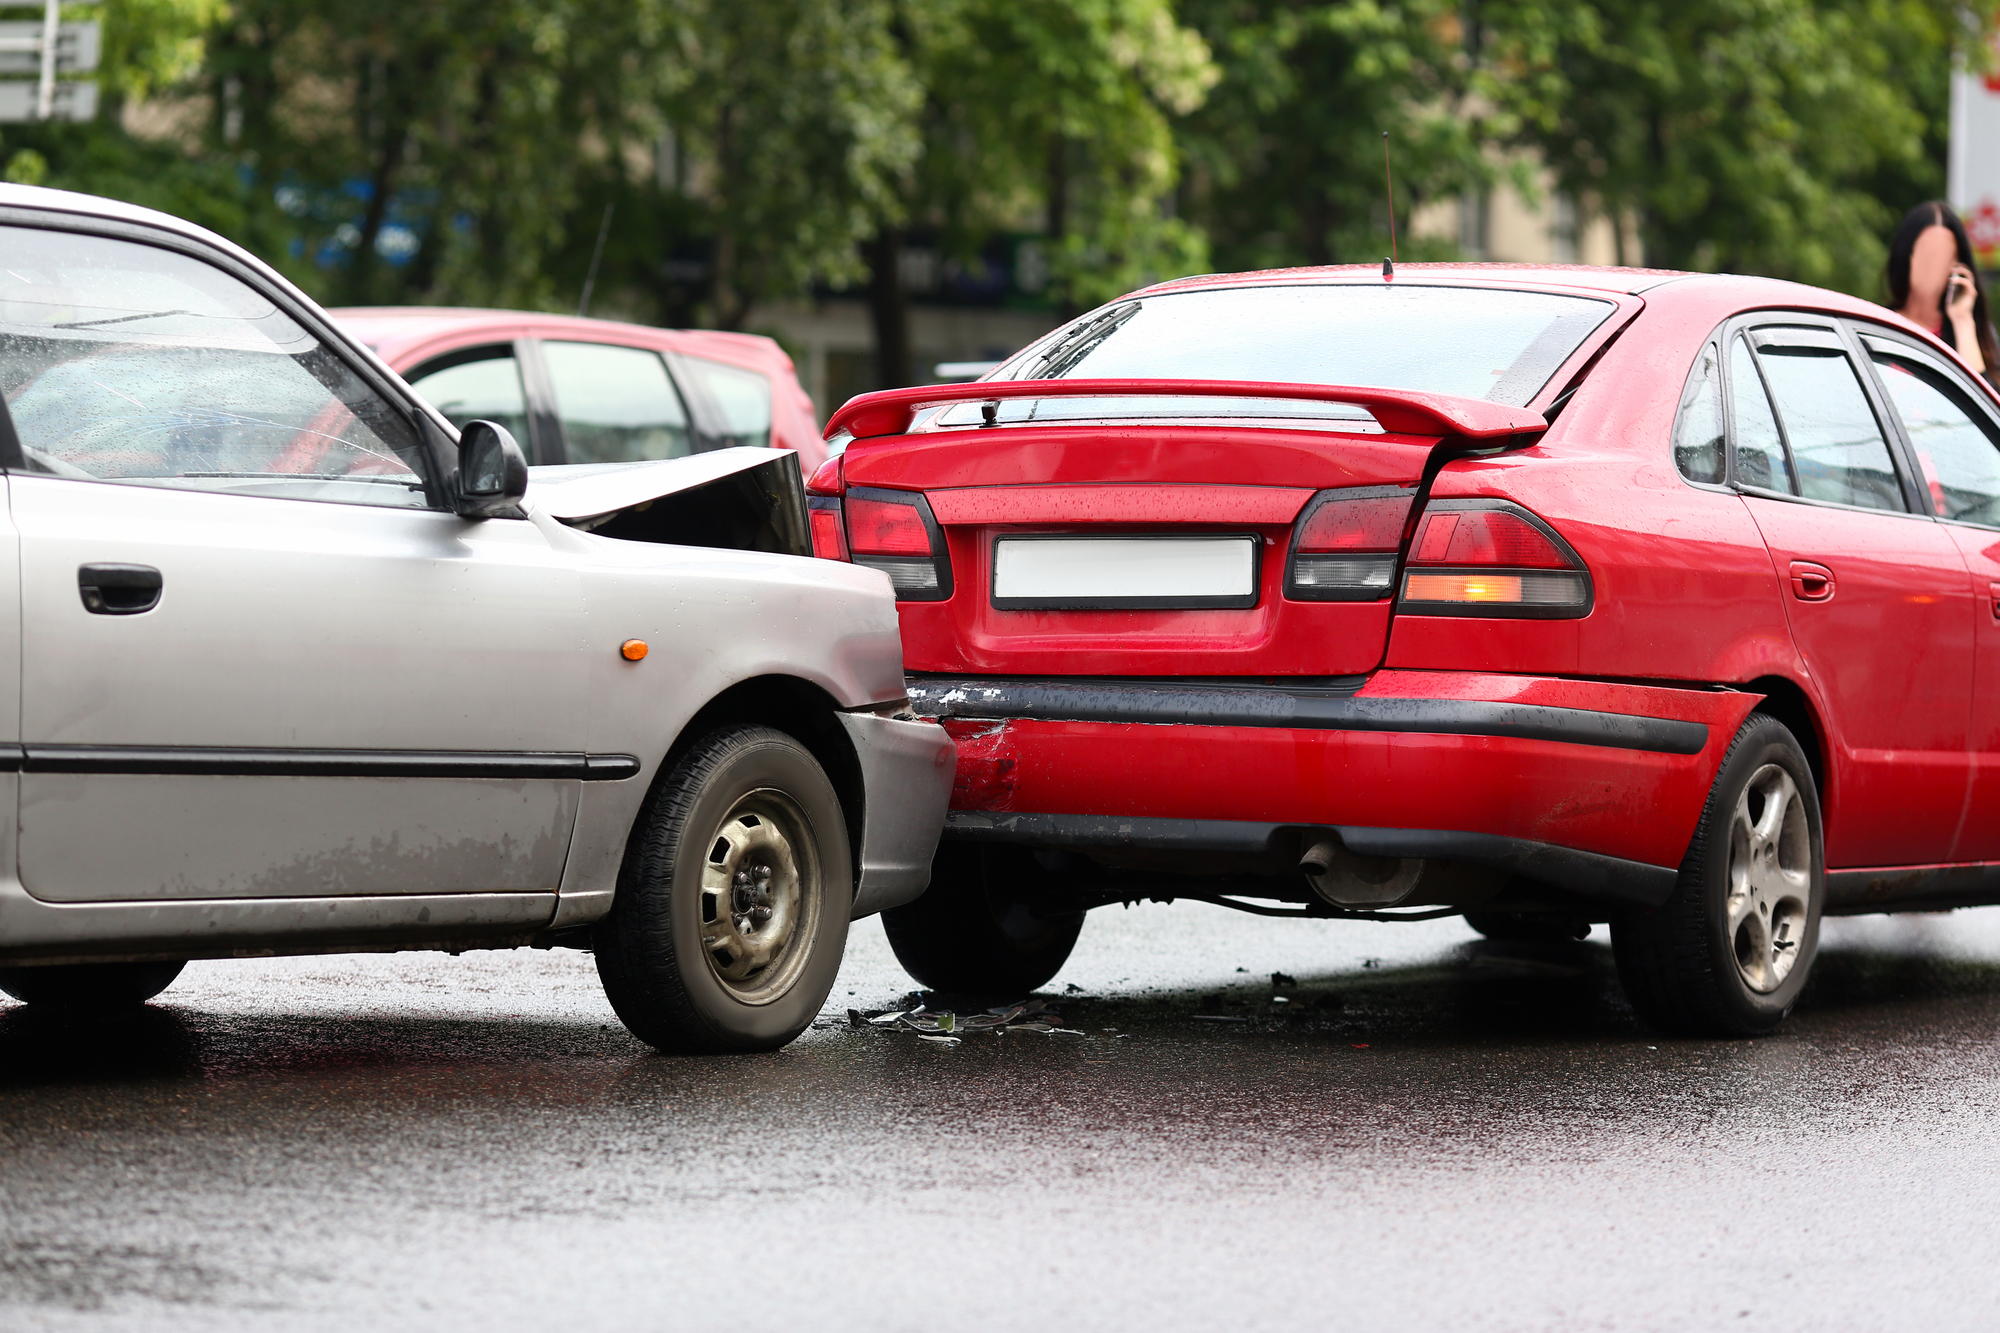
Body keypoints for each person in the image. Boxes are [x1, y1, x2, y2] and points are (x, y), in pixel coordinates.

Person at [1886, 201, 2000, 385]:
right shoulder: (1877, 324)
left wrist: (1962, 319)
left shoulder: (1973, 333)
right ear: (1905, 256)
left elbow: (1983, 403)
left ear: (1957, 266)